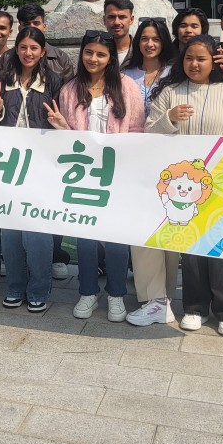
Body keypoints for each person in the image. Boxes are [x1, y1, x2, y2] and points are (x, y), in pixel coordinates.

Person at [146, 35, 223, 336]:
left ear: (213, 62)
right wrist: (169, 118)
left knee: (221, 249)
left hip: (222, 183)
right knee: (191, 248)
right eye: (189, 58)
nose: (194, 64)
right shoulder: (170, 93)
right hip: (182, 187)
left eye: (201, 59)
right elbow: (149, 132)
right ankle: (194, 307)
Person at [45, 30, 145, 321]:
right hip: (83, 175)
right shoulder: (70, 89)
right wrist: (62, 126)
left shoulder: (126, 87)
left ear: (111, 58)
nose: (93, 58)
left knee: (116, 239)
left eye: (101, 54)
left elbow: (137, 128)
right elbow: (69, 139)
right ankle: (87, 292)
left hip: (116, 173)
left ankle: (116, 295)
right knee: (85, 238)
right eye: (89, 52)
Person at [0, 27, 62, 312]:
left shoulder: (54, 81)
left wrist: (59, 125)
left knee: (37, 230)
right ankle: (16, 286)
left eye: (34, 48)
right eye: (23, 47)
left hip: (41, 166)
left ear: (42, 52)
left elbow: (61, 122)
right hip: (9, 164)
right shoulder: (2, 79)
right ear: (15, 49)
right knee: (10, 231)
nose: (28, 53)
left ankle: (39, 289)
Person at [121, 17, 175, 119]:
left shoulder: (172, 74)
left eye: (156, 39)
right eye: (144, 39)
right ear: (138, 42)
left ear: (164, 42)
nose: (150, 44)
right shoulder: (125, 74)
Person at [104, 0, 135, 65]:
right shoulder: (95, 53)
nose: (117, 22)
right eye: (111, 17)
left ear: (131, 19)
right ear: (104, 20)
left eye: (122, 17)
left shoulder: (141, 52)